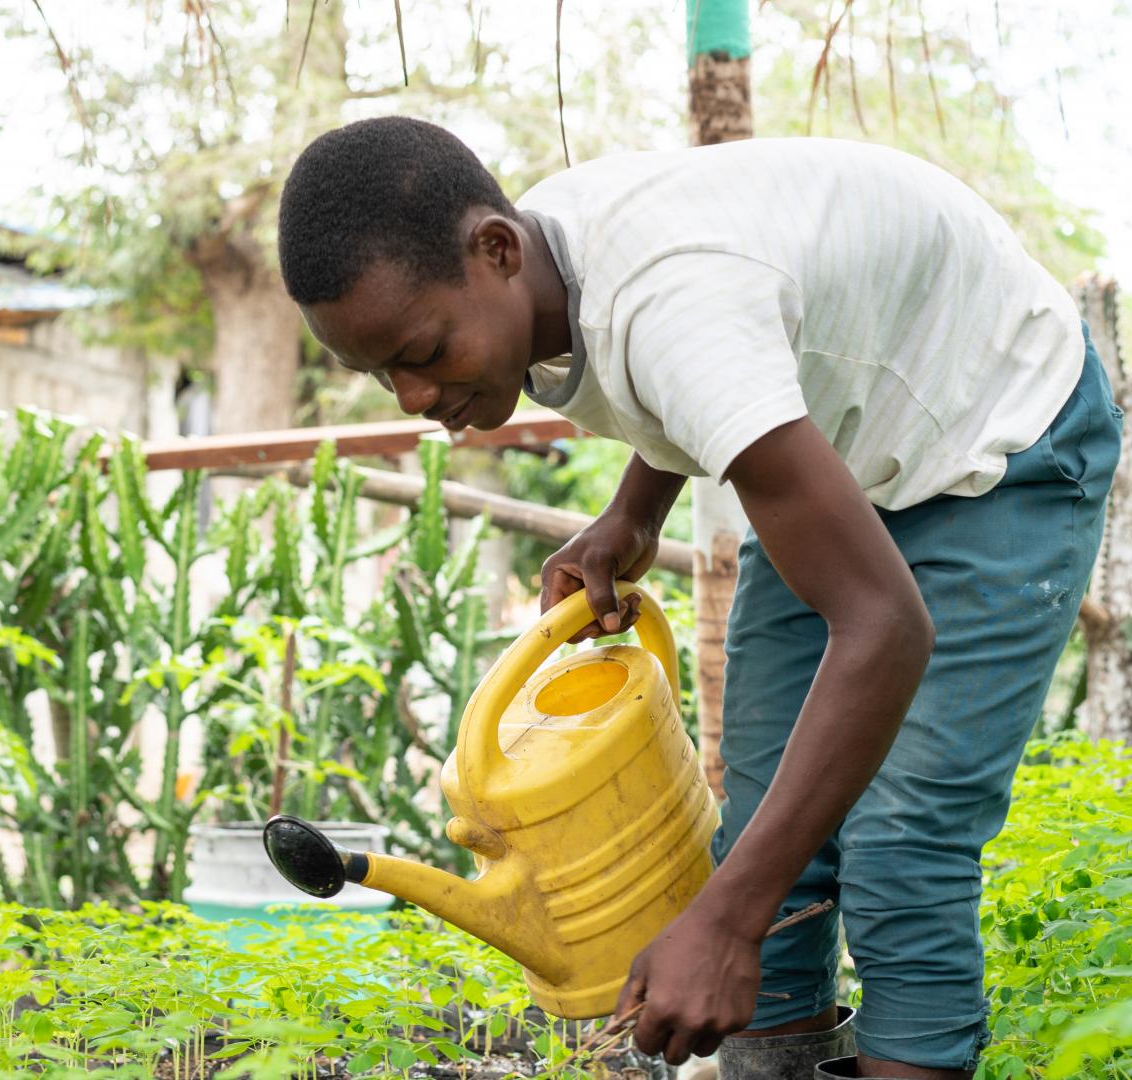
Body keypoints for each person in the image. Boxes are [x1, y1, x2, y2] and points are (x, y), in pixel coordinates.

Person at [274, 117, 1119, 1080]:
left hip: (997, 440)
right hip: (848, 455)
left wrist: (723, 925)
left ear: (496, 250)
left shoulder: (670, 301)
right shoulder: (550, 268)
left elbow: (884, 626)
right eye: (379, 370)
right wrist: (633, 513)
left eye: (422, 350)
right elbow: (690, 372)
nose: (411, 396)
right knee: (769, 830)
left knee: (900, 849)